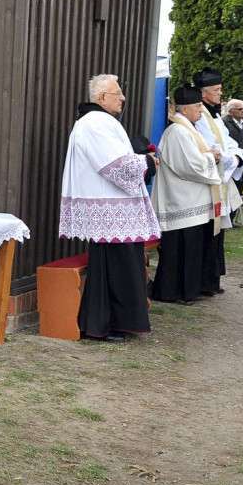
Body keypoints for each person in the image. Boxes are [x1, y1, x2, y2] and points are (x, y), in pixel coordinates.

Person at [57, 74, 160, 342]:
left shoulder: (98, 121)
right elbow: (116, 165)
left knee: (118, 267)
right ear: (102, 98)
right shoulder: (96, 123)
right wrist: (147, 163)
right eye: (118, 93)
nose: (123, 97)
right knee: (115, 269)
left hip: (114, 211)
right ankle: (106, 325)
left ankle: (111, 323)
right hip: (111, 210)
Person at [150, 86, 222, 304]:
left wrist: (209, 156)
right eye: (198, 106)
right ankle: (173, 292)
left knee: (190, 251)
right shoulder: (178, 131)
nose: (201, 110)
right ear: (185, 109)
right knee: (180, 252)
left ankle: (187, 290)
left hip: (190, 202)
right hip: (180, 203)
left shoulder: (188, 129)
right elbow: (190, 166)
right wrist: (212, 158)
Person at [192, 67, 243, 296]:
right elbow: (209, 146)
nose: (220, 93)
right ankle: (204, 282)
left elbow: (228, 143)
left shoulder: (214, 115)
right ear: (203, 94)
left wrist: (236, 156)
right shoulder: (198, 115)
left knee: (218, 232)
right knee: (208, 232)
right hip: (208, 182)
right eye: (217, 89)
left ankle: (212, 280)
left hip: (221, 175)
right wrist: (229, 156)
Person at [221, 99, 243, 225]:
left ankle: (232, 218)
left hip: (242, 164)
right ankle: (226, 217)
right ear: (230, 111)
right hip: (230, 163)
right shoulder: (224, 123)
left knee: (238, 191)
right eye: (240, 109)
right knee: (228, 191)